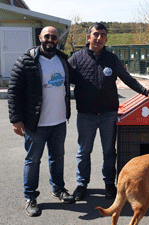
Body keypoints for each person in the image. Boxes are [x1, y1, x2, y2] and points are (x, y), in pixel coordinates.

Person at [68, 23, 149, 201]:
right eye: (96, 34)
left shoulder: (111, 59)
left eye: (103, 35)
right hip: (86, 114)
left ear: (106, 39)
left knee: (109, 151)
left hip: (108, 114)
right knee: (83, 151)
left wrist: (146, 92)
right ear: (88, 37)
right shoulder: (76, 58)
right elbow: (64, 80)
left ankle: (109, 183)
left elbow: (127, 78)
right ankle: (81, 184)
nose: (99, 38)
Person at [7, 26, 75, 217]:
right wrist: (16, 119)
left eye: (54, 37)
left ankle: (58, 189)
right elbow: (13, 91)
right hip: (35, 124)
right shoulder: (26, 60)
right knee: (33, 160)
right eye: (47, 36)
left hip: (59, 121)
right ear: (40, 38)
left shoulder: (62, 59)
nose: (50, 39)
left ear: (57, 40)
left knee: (57, 158)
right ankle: (30, 197)